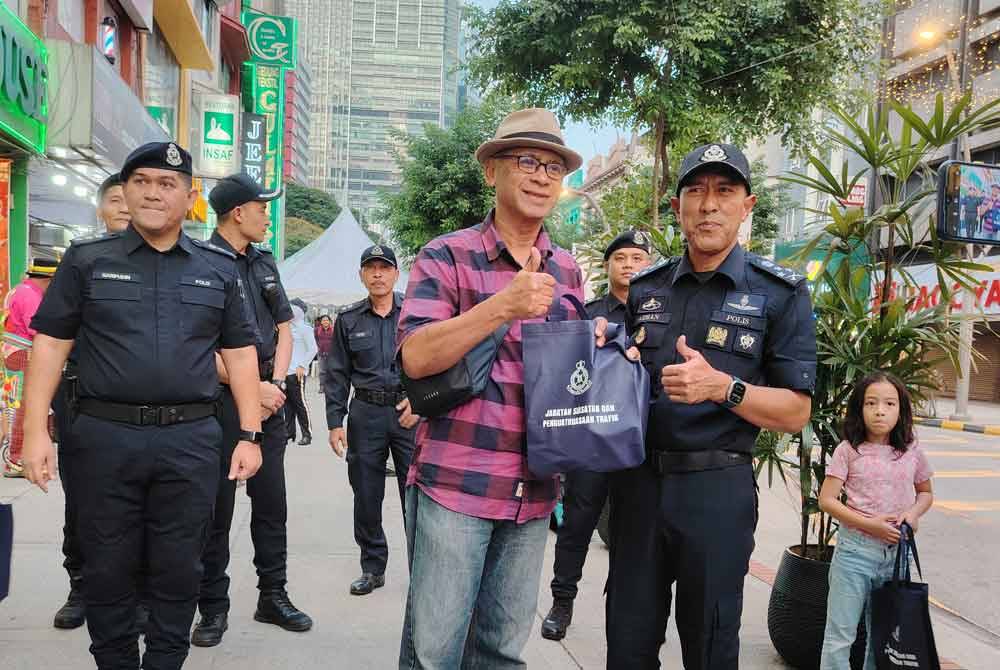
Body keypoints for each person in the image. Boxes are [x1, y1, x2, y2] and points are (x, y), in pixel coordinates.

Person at [20, 141, 264, 670]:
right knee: (106, 569)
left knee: (179, 570)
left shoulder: (216, 269)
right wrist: (35, 430)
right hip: (103, 440)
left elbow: (240, 353)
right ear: (126, 191)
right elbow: (51, 346)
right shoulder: (87, 261)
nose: (154, 192)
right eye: (143, 182)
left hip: (190, 442)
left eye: (168, 183)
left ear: (190, 196)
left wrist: (248, 434)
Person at [397, 108, 617, 669]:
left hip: (536, 492)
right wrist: (502, 306)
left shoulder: (568, 269)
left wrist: (605, 353)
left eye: (553, 166)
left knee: (501, 649)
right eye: (527, 161)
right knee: (435, 650)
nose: (542, 176)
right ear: (492, 171)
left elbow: (568, 378)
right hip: (457, 485)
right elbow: (415, 357)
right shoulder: (447, 255)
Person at [607, 143, 817, 670]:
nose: (709, 205)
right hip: (637, 490)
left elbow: (795, 412)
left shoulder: (781, 294)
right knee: (627, 646)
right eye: (696, 192)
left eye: (725, 191)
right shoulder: (646, 288)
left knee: (710, 648)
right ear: (676, 208)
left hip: (716, 494)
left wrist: (723, 388)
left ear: (747, 205)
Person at [192, 172, 312, 647]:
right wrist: (250, 387)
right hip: (218, 402)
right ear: (238, 212)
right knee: (215, 512)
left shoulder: (264, 262)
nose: (267, 216)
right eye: (262, 208)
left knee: (271, 506)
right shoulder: (198, 262)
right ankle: (212, 608)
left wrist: (275, 384)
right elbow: (195, 342)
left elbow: (284, 325)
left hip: (270, 399)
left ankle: (273, 595)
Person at [541, 229, 651, 641]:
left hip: (638, 440)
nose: (628, 265)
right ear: (607, 266)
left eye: (637, 258)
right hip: (592, 437)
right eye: (620, 258)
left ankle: (621, 606)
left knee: (631, 529)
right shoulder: (589, 312)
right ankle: (562, 599)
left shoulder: (658, 313)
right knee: (577, 523)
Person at [52, 172, 133, 630]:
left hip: (143, 408)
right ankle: (80, 586)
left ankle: (135, 596)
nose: (125, 206)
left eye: (131, 198)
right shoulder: (82, 260)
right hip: (84, 401)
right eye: (116, 200)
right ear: (101, 208)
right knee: (82, 502)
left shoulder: (165, 262)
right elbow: (53, 338)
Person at [819, 372, 934, 670]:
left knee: (882, 638)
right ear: (859, 408)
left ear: (901, 410)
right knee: (839, 636)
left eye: (889, 403)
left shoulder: (911, 451)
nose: (880, 410)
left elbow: (925, 493)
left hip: (896, 557)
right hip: (854, 554)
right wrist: (870, 525)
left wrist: (913, 513)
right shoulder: (848, 450)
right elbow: (827, 500)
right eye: (871, 403)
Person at [325, 244, 418, 596]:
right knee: (366, 493)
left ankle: (421, 569)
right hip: (365, 414)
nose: (377, 274)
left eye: (384, 267)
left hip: (408, 414)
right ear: (362, 275)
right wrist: (335, 421)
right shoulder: (348, 320)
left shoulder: (414, 315)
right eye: (370, 268)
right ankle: (372, 566)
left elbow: (434, 361)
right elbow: (336, 373)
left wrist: (423, 402)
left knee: (416, 494)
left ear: (396, 273)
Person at [2, 258, 58, 477]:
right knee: (25, 406)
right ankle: (16, 460)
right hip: (23, 353)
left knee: (18, 404)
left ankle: (21, 457)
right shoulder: (31, 295)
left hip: (13, 352)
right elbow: (38, 329)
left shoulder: (20, 290)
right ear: (49, 280)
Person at [285, 303, 317, 445]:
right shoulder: (286, 329)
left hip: (297, 373)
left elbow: (313, 349)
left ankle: (307, 434)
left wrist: (302, 365)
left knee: (300, 404)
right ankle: (289, 432)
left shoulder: (305, 329)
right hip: (285, 372)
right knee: (286, 405)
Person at [314, 314, 335, 393]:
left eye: (327, 320)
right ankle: (322, 386)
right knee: (322, 371)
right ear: (321, 322)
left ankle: (330, 386)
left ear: (330, 322)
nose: (325, 321)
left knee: (331, 371)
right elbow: (315, 339)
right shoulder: (317, 330)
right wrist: (318, 347)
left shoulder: (334, 329)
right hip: (321, 353)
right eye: (323, 320)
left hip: (331, 354)